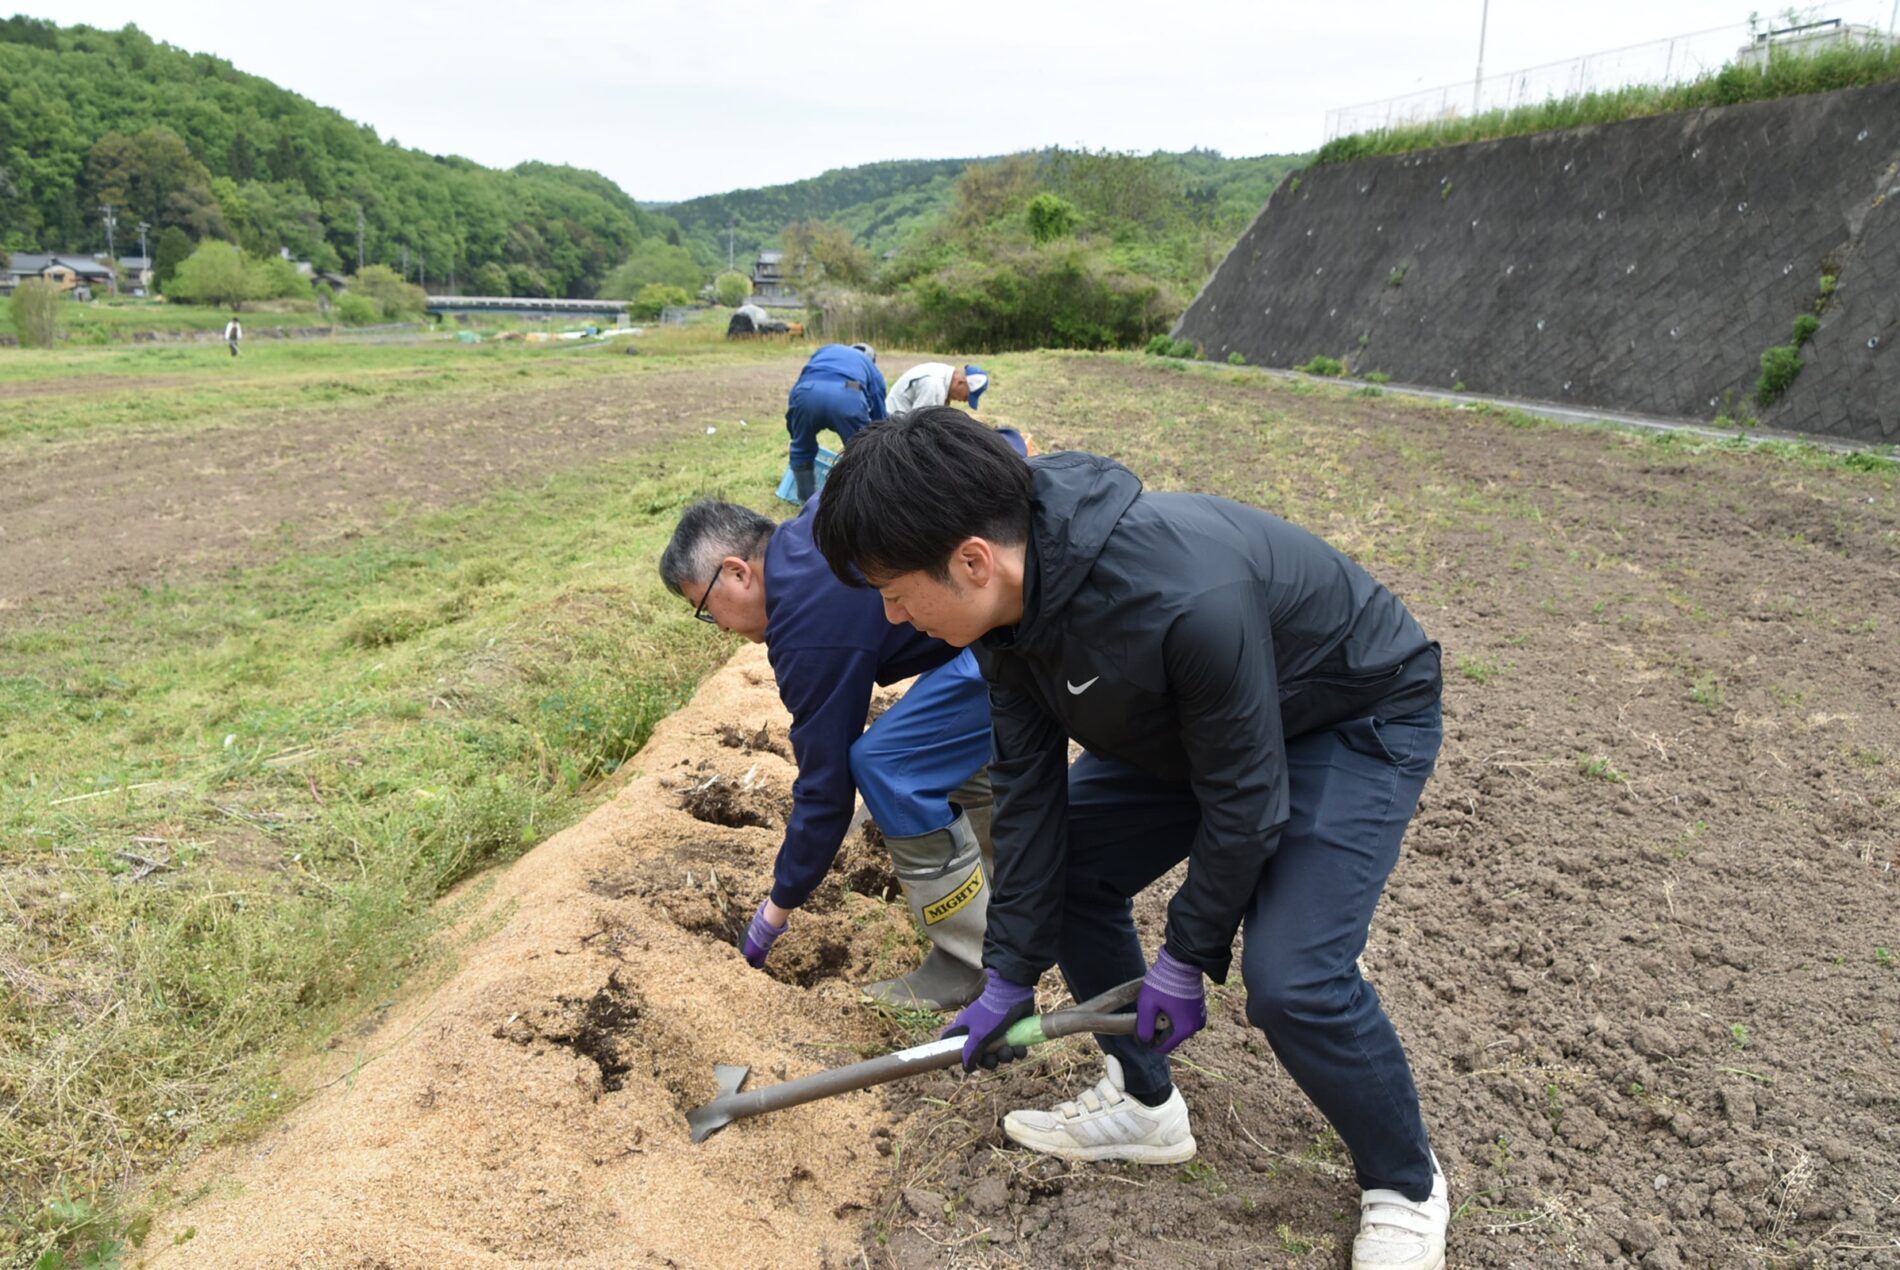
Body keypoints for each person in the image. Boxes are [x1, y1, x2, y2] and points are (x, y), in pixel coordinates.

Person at [812, 409, 1451, 1270]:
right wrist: (1010, 972)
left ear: (972, 561)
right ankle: (1146, 1106)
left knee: (1294, 979)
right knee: (1072, 866)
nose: (893, 615)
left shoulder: (1179, 597)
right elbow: (1028, 796)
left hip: (1345, 713)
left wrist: (1186, 956)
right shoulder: (1005, 617)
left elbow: (1246, 800)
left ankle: (1406, 1183)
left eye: (895, 592)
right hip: (1194, 726)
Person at [660, 495, 992, 1009]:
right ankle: (1004, 882)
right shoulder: (813, 528)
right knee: (933, 745)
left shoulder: (805, 626)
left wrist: (776, 910)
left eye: (704, 608)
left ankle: (968, 962)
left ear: (736, 572)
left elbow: (827, 788)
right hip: (1002, 601)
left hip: (1007, 629)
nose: (720, 627)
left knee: (889, 764)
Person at [783, 344, 888, 502]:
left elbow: (804, 378)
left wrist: (795, 431)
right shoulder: (870, 366)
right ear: (872, 359)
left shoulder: (826, 350)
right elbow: (879, 415)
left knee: (801, 449)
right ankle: (860, 501)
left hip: (807, 393)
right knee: (862, 453)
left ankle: (807, 503)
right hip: (848, 397)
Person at [884, 362, 987, 418]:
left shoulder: (945, 375)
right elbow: (918, 426)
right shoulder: (934, 386)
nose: (964, 401)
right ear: (960, 382)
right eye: (967, 396)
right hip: (893, 428)